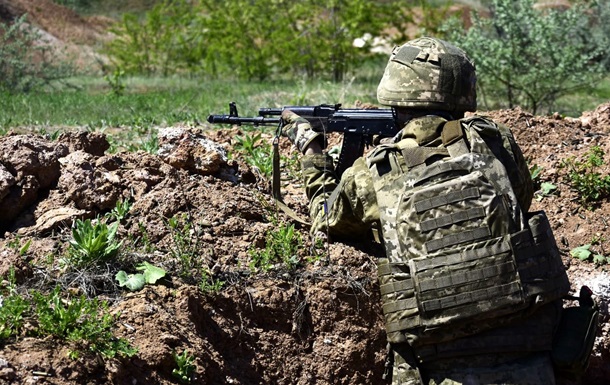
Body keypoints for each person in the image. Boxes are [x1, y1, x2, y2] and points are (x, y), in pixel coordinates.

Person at [280, 37, 572, 384]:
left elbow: (324, 219)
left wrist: (313, 152)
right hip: (532, 354)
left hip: (434, 368)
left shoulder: (372, 172)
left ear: (395, 94)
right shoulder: (496, 142)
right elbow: (516, 203)